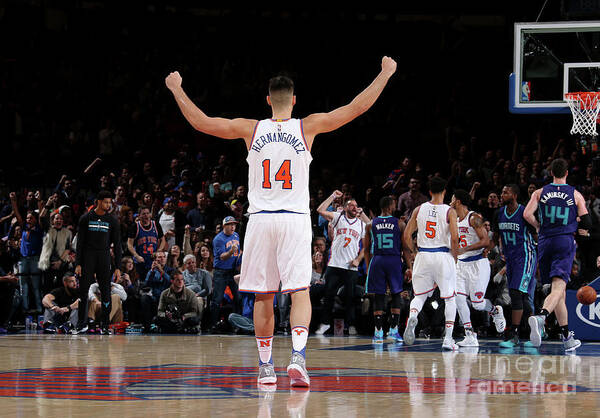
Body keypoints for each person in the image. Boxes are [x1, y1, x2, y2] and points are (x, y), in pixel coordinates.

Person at [165, 55, 397, 387]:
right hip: (293, 219)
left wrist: (177, 88)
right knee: (300, 292)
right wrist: (385, 73)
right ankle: (299, 359)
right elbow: (355, 107)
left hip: (260, 220)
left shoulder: (251, 128)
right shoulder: (307, 126)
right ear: (295, 100)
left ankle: (265, 368)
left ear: (267, 100)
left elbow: (202, 121)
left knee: (263, 296)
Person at [525, 158, 590, 351]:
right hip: (564, 241)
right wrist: (577, 223)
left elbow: (527, 215)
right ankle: (541, 316)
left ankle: (567, 337)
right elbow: (587, 223)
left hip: (545, 241)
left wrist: (538, 227)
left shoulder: (539, 192)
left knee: (557, 291)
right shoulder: (575, 194)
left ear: (551, 172)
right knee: (558, 288)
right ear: (567, 173)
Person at [402, 176, 460, 350]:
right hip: (443, 255)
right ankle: (448, 339)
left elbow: (406, 235)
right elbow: (455, 239)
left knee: (419, 296)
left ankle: (413, 316)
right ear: (444, 191)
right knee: (450, 299)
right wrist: (454, 258)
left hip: (423, 254)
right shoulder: (450, 211)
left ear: (429, 191)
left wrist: (414, 252)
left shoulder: (419, 209)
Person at [450, 189, 505, 347]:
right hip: (461, 265)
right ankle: (470, 334)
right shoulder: (453, 220)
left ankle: (495, 310)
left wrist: (465, 249)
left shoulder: (474, 218)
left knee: (477, 303)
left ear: (458, 201)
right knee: (458, 298)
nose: (450, 202)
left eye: (452, 199)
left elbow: (486, 241)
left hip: (478, 265)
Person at [315, 191, 370, 336]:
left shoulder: (361, 224)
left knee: (350, 298)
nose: (354, 207)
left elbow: (366, 245)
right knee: (329, 295)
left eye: (356, 206)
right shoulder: (338, 217)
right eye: (351, 205)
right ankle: (325, 323)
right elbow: (320, 210)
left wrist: (358, 259)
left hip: (350, 266)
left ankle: (351, 325)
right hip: (334, 264)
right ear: (345, 208)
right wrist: (332, 196)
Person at [492, 184, 537, 348]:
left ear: (515, 195)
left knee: (517, 294)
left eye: (505, 192)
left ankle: (514, 334)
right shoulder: (499, 214)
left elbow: (536, 233)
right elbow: (497, 235)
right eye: (501, 192)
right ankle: (537, 328)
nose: (502, 194)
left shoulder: (525, 213)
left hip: (525, 257)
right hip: (510, 259)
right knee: (521, 296)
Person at [74, 190, 122, 335]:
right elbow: (80, 244)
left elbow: (118, 244)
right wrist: (78, 263)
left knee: (106, 292)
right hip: (88, 257)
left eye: (110, 202)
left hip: (104, 257)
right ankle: (81, 324)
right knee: (83, 292)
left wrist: (118, 267)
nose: (108, 205)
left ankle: (105, 325)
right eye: (106, 202)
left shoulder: (112, 220)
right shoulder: (85, 218)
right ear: (98, 202)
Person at [363, 195, 406, 344]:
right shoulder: (399, 224)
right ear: (389, 207)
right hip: (393, 260)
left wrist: (368, 267)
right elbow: (405, 247)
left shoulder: (370, 224)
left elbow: (366, 249)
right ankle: (393, 331)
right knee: (396, 295)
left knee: (379, 296)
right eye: (394, 204)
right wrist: (410, 266)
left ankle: (378, 332)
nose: (395, 207)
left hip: (378, 260)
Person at [9, 192, 44, 315]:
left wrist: (39, 201)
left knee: (35, 286)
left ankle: (39, 309)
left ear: (35, 219)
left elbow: (41, 216)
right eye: (27, 218)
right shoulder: (24, 228)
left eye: (31, 218)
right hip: (23, 259)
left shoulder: (39, 229)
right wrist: (13, 201)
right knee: (24, 286)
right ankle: (25, 309)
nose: (28, 220)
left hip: (34, 259)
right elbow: (18, 215)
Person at [210, 216, 241, 331]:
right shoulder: (218, 239)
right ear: (224, 226)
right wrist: (231, 251)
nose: (233, 227)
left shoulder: (236, 235)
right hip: (220, 272)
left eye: (234, 224)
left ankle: (237, 325)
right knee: (217, 300)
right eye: (230, 225)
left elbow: (238, 252)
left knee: (238, 298)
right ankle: (213, 324)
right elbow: (222, 257)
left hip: (233, 271)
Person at [127, 206, 166, 280]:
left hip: (153, 260)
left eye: (148, 213)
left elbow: (163, 240)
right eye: (144, 214)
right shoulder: (135, 226)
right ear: (139, 215)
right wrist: (136, 256)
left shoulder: (156, 225)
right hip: (140, 260)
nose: (146, 216)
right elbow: (129, 244)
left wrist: (158, 251)